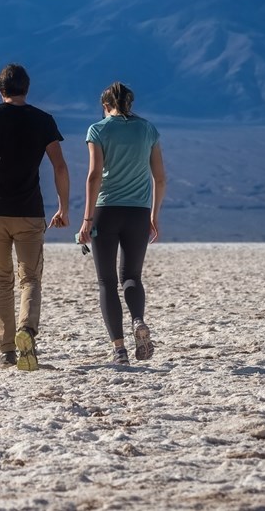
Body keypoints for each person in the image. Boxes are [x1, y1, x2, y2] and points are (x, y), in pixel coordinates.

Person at [0, 63, 70, 371]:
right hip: (30, 213)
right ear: (26, 89)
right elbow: (59, 166)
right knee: (30, 279)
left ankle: (6, 350)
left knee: (2, 281)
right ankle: (26, 330)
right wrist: (63, 206)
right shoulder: (43, 120)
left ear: (0, 90)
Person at [76, 82, 166, 366]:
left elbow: (94, 176)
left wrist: (87, 220)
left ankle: (120, 351)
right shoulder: (147, 129)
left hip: (106, 211)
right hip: (138, 212)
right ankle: (138, 319)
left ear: (105, 106)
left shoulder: (99, 129)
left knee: (106, 282)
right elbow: (160, 177)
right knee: (132, 277)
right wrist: (154, 215)